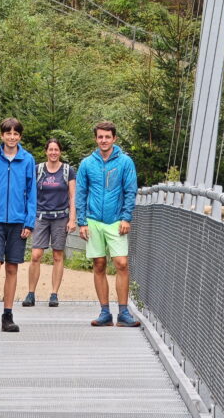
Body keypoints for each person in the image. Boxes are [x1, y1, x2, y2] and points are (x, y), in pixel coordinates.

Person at [75, 120, 140, 328]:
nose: (104, 140)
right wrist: (82, 222)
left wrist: (126, 217)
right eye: (100, 137)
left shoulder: (125, 162)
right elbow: (81, 193)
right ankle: (104, 312)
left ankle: (123, 312)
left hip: (116, 220)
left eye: (107, 137)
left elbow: (130, 190)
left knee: (121, 263)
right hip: (93, 220)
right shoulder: (87, 164)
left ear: (114, 139)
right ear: (96, 139)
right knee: (99, 264)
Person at [0, 117, 37, 333]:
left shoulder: (28, 160)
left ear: (19, 136)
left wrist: (29, 221)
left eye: (15, 134)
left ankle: (8, 316)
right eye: (8, 133)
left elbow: (32, 193)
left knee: (12, 267)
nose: (11, 137)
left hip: (18, 220)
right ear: (2, 135)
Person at [22, 138, 76, 308]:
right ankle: (31, 293)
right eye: (50, 149)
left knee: (57, 255)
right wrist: (27, 218)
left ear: (60, 152)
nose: (53, 152)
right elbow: (29, 195)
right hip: (41, 217)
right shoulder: (38, 170)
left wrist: (72, 219)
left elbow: (73, 196)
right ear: (46, 151)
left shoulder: (68, 171)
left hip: (60, 217)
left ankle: (54, 294)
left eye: (56, 150)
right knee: (36, 255)